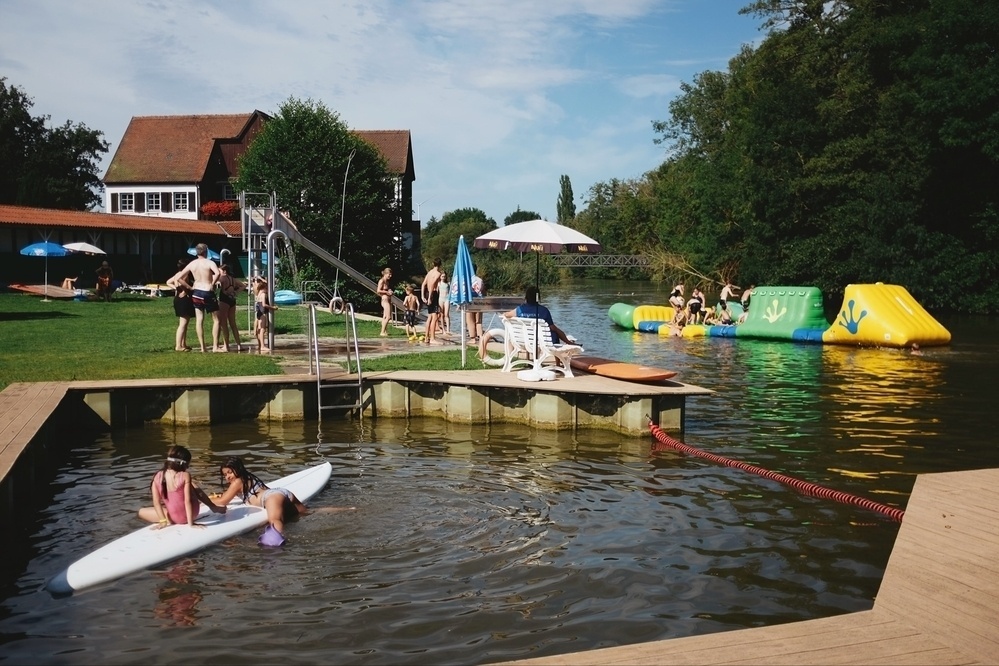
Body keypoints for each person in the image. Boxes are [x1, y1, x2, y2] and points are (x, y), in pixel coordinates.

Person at [214, 457, 308, 540]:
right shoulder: (247, 477)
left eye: (230, 472)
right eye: (225, 475)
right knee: (307, 513)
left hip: (271, 497)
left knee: (275, 520)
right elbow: (230, 494)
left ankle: (277, 542)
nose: (228, 477)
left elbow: (223, 501)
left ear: (238, 469)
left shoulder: (237, 482)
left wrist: (205, 500)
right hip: (280, 493)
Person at [138, 445, 225, 528]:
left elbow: (156, 502)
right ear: (183, 463)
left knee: (141, 512)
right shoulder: (184, 475)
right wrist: (191, 523)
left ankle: (166, 518)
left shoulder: (157, 476)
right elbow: (187, 501)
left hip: (173, 518)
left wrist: (162, 521)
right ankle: (213, 506)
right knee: (193, 485)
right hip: (191, 514)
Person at [180, 244, 222, 352]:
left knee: (199, 320)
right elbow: (217, 273)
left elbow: (180, 278)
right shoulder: (209, 263)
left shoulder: (192, 264)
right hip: (207, 291)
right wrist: (212, 283)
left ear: (196, 252)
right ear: (206, 251)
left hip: (197, 292)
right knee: (216, 320)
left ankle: (203, 347)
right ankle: (215, 346)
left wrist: (190, 287)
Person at [503, 286, 575, 345]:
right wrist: (566, 340)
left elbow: (506, 315)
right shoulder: (544, 310)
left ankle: (529, 359)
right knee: (555, 332)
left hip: (525, 340)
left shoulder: (519, 310)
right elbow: (553, 328)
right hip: (542, 342)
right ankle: (565, 349)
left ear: (526, 297)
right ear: (537, 297)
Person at [216, 264, 245, 352]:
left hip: (224, 300)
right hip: (232, 300)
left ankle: (226, 345)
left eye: (219, 271)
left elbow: (215, 282)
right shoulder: (233, 279)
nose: (218, 273)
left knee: (223, 323)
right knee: (233, 323)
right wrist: (236, 292)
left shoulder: (223, 278)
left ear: (224, 271)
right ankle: (239, 345)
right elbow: (243, 285)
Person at [166, 268, 195, 351]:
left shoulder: (177, 274)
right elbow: (181, 283)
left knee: (184, 324)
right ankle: (178, 345)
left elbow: (168, 282)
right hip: (184, 299)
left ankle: (183, 344)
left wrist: (177, 289)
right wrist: (186, 289)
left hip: (178, 299)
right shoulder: (183, 275)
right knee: (183, 324)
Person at [421, 257, 444, 345]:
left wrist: (423, 295)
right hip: (433, 293)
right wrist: (430, 297)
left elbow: (423, 284)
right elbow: (432, 285)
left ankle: (427, 337)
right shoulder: (438, 273)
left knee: (430, 317)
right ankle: (432, 338)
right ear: (440, 265)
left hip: (427, 293)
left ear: (433, 264)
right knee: (434, 317)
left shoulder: (429, 272)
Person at [253, 276, 278, 353]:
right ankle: (263, 346)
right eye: (267, 288)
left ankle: (260, 344)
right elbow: (264, 304)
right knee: (262, 329)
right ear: (265, 287)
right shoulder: (263, 294)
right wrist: (272, 307)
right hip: (262, 312)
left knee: (259, 328)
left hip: (259, 312)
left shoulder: (259, 293)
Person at [466, 271, 485, 342]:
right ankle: (480, 336)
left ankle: (473, 338)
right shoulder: (480, 280)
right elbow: (483, 292)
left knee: (470, 321)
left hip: (470, 302)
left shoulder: (467, 280)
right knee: (478, 321)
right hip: (479, 302)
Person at [376, 267, 393, 337]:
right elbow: (378, 290)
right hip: (384, 300)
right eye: (389, 274)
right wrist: (387, 292)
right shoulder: (381, 281)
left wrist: (390, 291)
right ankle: (382, 332)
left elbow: (386, 290)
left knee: (385, 316)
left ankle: (385, 331)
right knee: (388, 317)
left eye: (391, 274)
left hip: (388, 299)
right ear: (385, 274)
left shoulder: (387, 282)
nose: (390, 276)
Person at [437, 271, 451, 335]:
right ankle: (443, 329)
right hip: (440, 299)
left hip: (447, 299)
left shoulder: (448, 283)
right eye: (442, 276)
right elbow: (436, 293)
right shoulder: (439, 284)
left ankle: (448, 329)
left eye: (444, 276)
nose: (443, 278)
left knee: (446, 314)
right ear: (440, 277)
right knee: (441, 314)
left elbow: (450, 292)